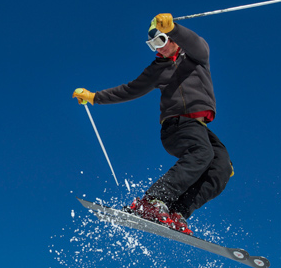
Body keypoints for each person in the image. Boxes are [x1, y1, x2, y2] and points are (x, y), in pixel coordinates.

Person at [72, 13, 232, 235]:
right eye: (152, 45)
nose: (158, 49)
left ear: (173, 38)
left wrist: (174, 27)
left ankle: (177, 211)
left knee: (222, 167)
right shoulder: (157, 69)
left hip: (199, 126)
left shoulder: (196, 57)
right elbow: (129, 90)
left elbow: (198, 44)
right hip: (177, 126)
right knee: (202, 153)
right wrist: (94, 97)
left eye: (161, 41)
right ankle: (153, 200)